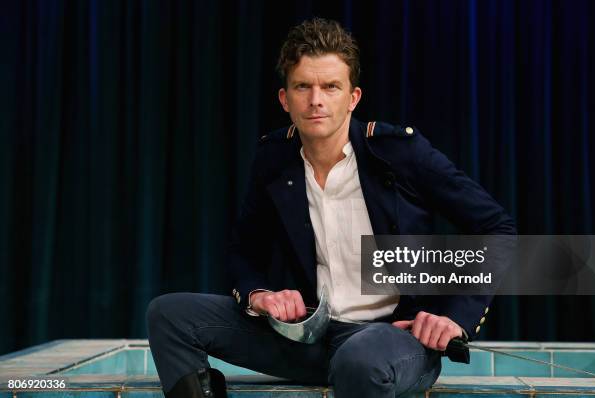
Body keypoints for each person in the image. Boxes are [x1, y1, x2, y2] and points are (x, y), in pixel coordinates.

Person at [147, 17, 516, 398]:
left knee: (359, 361)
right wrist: (260, 294)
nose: (316, 100)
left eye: (330, 87)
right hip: (309, 336)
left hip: (392, 340)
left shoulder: (399, 153)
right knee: (169, 316)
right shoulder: (274, 159)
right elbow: (244, 250)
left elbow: (497, 229)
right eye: (303, 86)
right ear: (284, 98)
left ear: (353, 97)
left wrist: (456, 318)